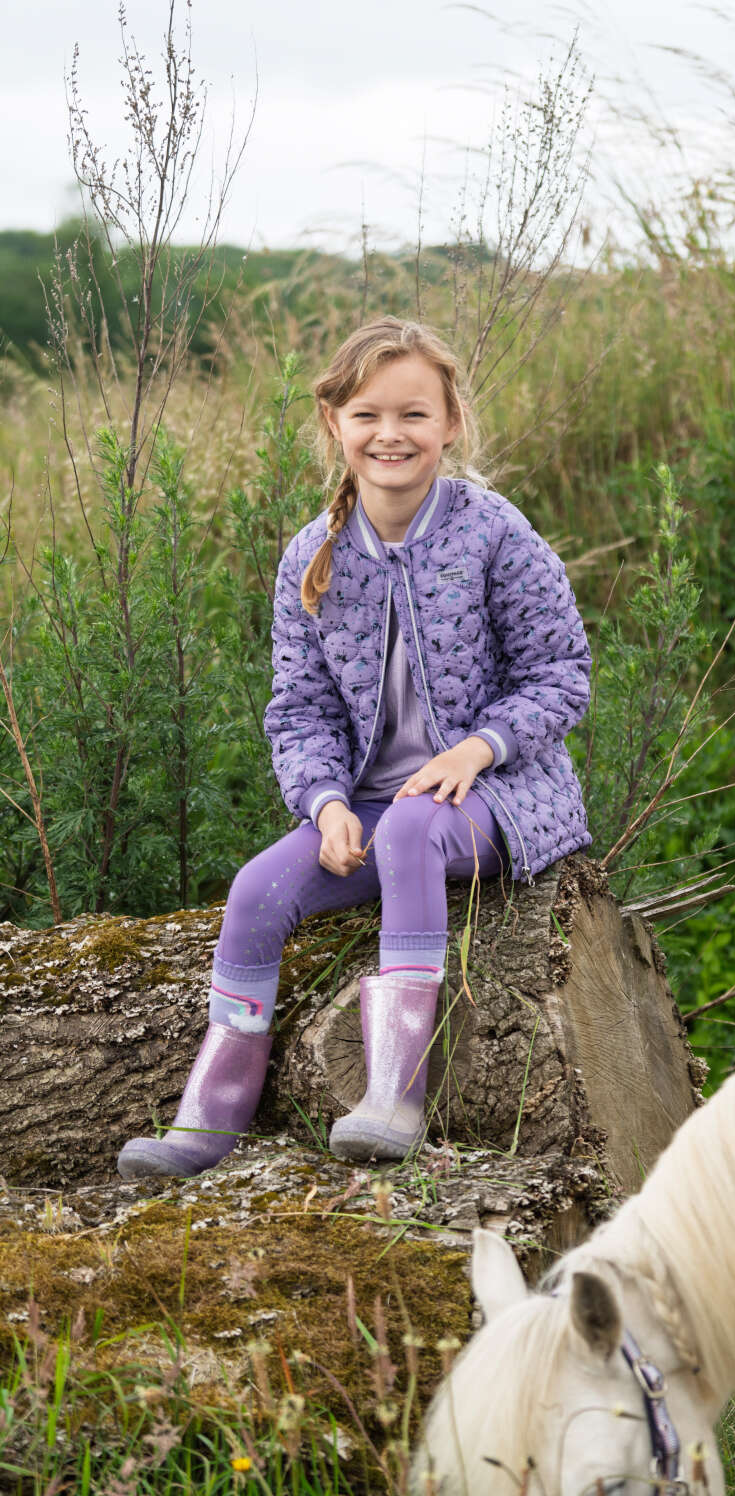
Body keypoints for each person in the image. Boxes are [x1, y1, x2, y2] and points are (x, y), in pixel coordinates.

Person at [117, 316, 591, 1177]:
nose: (390, 434)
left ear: (449, 424)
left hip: (499, 794)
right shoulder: (315, 554)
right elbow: (298, 711)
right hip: (371, 804)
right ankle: (209, 1118)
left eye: (413, 415)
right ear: (335, 423)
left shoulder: (494, 533)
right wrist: (326, 804)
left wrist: (476, 749)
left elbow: (561, 676)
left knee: (412, 829)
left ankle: (393, 1092)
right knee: (259, 887)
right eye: (367, 414)